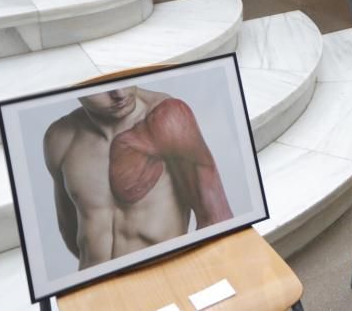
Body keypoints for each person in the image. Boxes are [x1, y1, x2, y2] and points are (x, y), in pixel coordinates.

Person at [43, 85, 233, 270]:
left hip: (163, 278)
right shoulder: (60, 138)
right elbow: (69, 230)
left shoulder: (166, 117)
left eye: (123, 79)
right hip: (94, 287)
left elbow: (216, 220)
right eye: (100, 88)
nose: (119, 93)